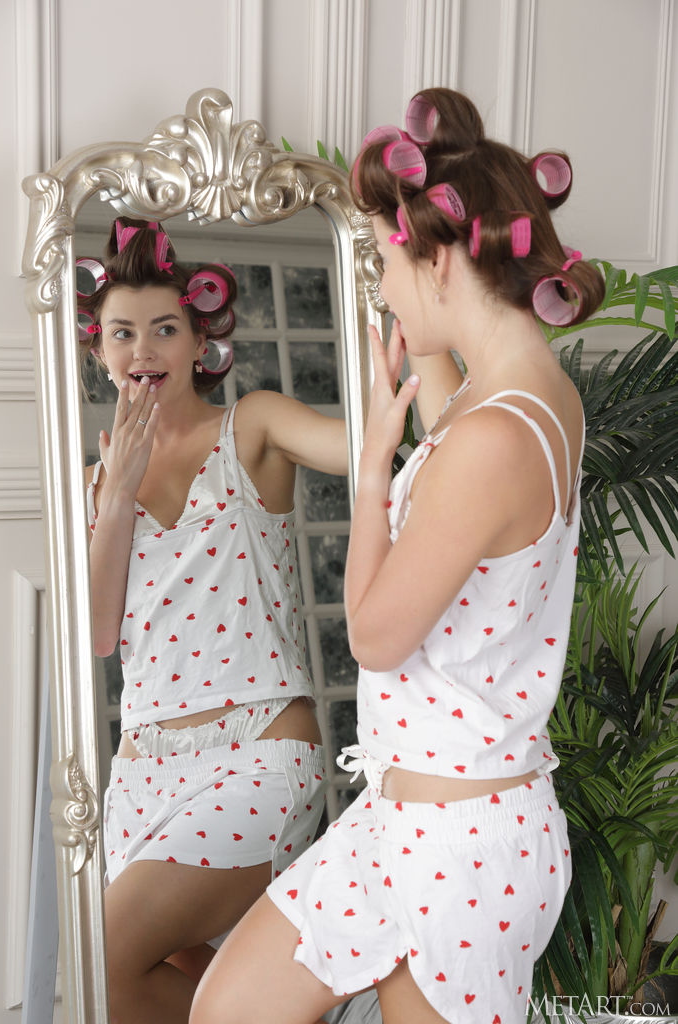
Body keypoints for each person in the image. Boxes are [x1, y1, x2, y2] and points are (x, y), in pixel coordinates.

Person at [189, 87, 605, 1024]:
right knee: (228, 1009)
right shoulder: (525, 396)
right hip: (407, 821)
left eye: (385, 258)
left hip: (461, 849)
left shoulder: (494, 438)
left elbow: (375, 637)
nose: (381, 283)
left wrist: (373, 469)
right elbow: (449, 394)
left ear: (446, 257)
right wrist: (418, 375)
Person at [77, 217, 348, 1024]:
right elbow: (97, 637)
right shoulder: (98, 483)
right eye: (122, 333)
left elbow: (362, 445)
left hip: (260, 750)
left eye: (166, 328)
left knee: (101, 965)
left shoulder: (251, 424)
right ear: (99, 352)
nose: (143, 349)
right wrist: (116, 495)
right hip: (143, 772)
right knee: (158, 991)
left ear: (201, 342)